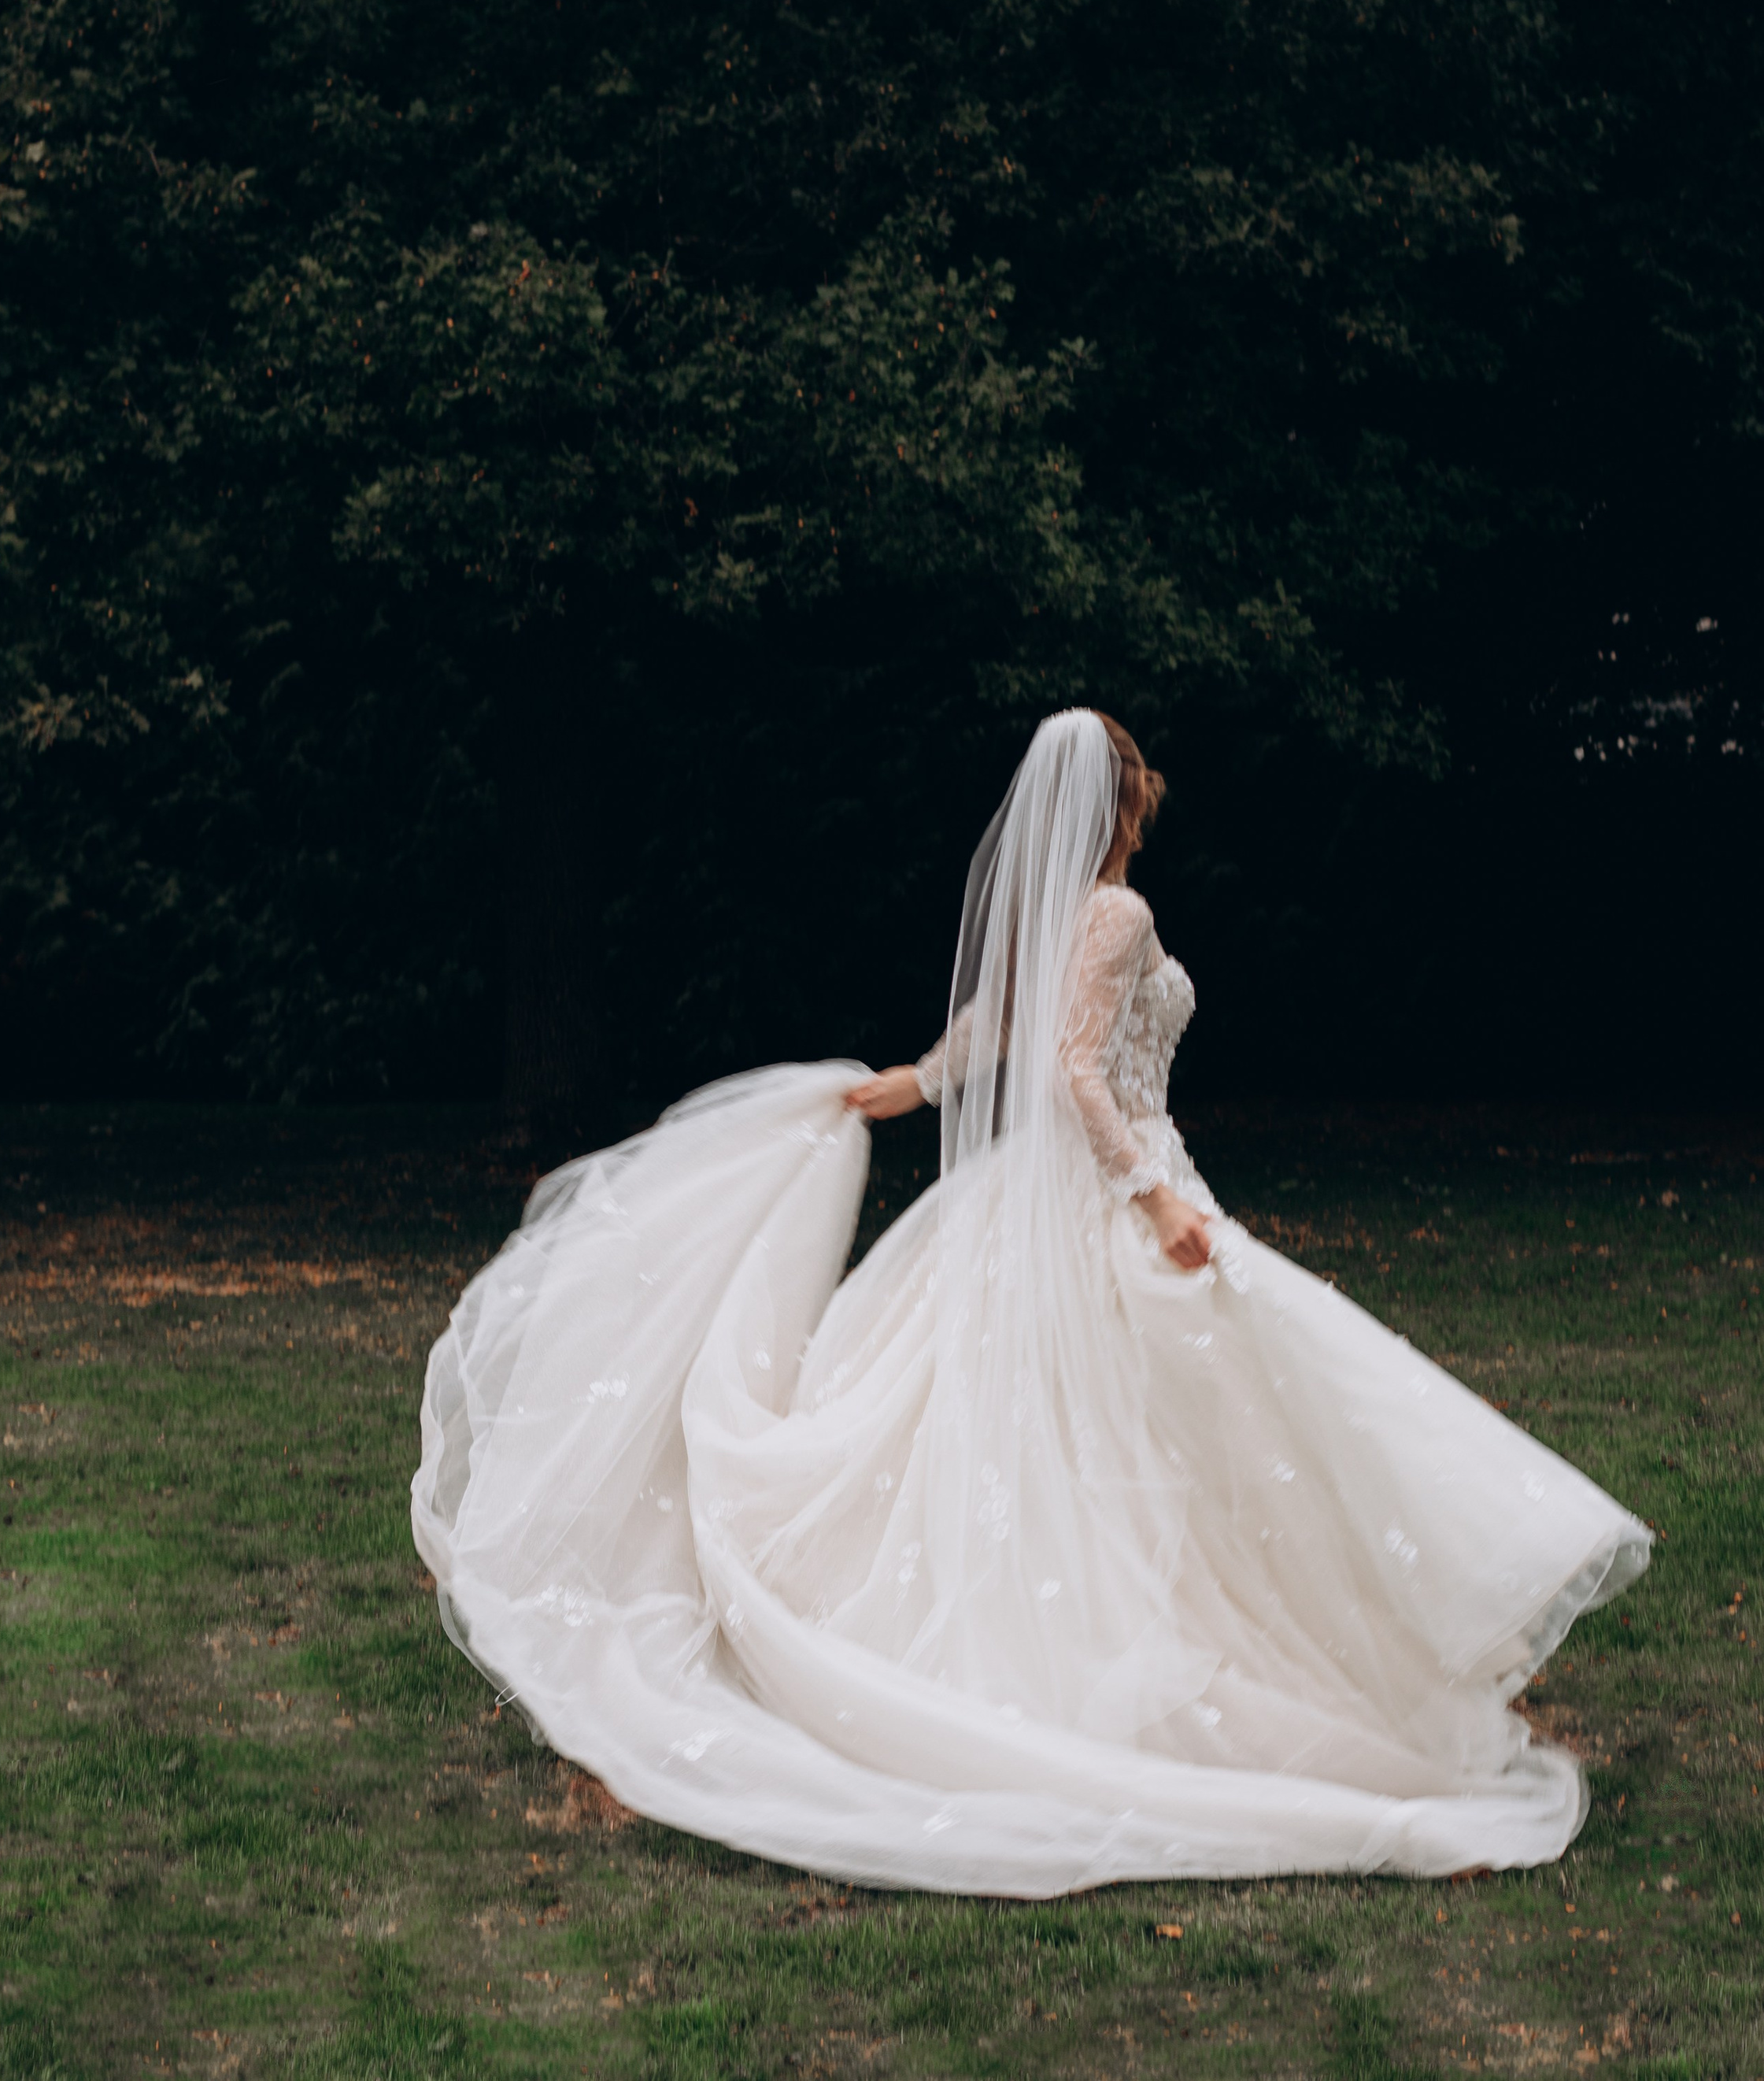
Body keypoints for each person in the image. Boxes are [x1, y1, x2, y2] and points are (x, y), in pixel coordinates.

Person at [411, 709, 1648, 1891]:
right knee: (1210, 1406)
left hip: (1047, 1203)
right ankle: (1220, 1669)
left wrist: (905, 1084)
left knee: (1140, 1425)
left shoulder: (1058, 917)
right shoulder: (1113, 911)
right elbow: (1069, 1071)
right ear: (1127, 803)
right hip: (1111, 1194)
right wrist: (1153, 1198)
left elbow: (994, 1035)